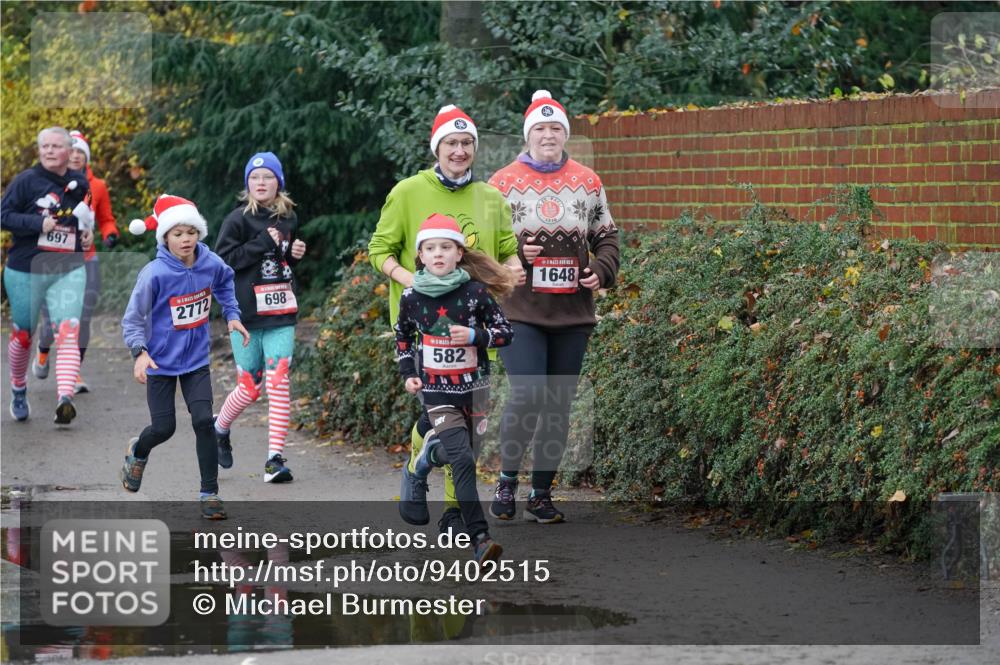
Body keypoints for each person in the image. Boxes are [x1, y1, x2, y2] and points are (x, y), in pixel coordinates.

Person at [368, 104, 524, 531]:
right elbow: (379, 250)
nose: (459, 151)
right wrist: (413, 282)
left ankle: (454, 508)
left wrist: (513, 268)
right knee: (439, 414)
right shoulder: (407, 192)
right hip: (425, 329)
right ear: (436, 148)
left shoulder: (491, 197)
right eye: (451, 143)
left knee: (470, 421)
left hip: (474, 327)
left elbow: (507, 248)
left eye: (467, 143)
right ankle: (420, 469)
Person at [487, 90, 620, 523]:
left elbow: (607, 236)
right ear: (528, 135)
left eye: (555, 128)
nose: (548, 135)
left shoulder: (588, 180)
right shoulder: (501, 183)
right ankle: (507, 481)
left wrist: (601, 270)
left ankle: (540, 494)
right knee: (528, 394)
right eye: (540, 128)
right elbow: (482, 247)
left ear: (565, 135)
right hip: (519, 308)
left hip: (572, 313)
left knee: (558, 404)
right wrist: (515, 255)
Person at [120, 194, 250, 520]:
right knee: (163, 428)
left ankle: (210, 494)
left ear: (199, 233)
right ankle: (138, 451)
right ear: (165, 237)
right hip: (160, 362)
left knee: (204, 421)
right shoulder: (154, 274)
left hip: (196, 361)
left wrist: (232, 314)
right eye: (177, 234)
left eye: (191, 232)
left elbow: (225, 282)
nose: (185, 239)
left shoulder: (210, 263)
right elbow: (133, 319)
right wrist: (139, 353)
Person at [394, 213, 514, 563]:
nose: (438, 253)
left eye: (446, 247)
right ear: (421, 256)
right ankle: (480, 538)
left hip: (476, 390)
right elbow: (403, 336)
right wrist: (407, 373)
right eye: (430, 248)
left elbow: (506, 333)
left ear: (459, 253)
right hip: (436, 392)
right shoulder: (412, 296)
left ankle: (425, 459)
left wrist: (476, 335)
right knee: (461, 459)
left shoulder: (476, 293)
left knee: (465, 455)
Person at [213, 152, 307, 483]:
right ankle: (219, 427)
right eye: (255, 178)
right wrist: (262, 241)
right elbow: (224, 263)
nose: (261, 182)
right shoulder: (237, 220)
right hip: (245, 317)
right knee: (250, 389)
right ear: (247, 184)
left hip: (281, 313)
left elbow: (279, 262)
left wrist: (293, 256)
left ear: (278, 182)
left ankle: (274, 460)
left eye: (268, 176)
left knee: (278, 381)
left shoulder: (288, 218)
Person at [1, 126, 93, 424]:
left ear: (69, 151)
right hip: (25, 268)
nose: (50, 151)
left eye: (56, 146)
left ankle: (65, 398)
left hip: (68, 267)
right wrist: (36, 224)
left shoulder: (80, 182)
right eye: (45, 146)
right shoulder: (25, 181)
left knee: (69, 329)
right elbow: (3, 216)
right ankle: (18, 388)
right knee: (24, 334)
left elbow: (80, 218)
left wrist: (86, 233)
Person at [33, 130, 119, 393]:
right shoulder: (46, 182)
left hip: (86, 258)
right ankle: (43, 348)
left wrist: (110, 234)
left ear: (86, 157)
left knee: (82, 318)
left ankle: (74, 372)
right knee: (52, 320)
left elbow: (106, 219)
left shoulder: (98, 186)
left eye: (82, 152)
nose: (77, 156)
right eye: (73, 151)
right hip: (52, 259)